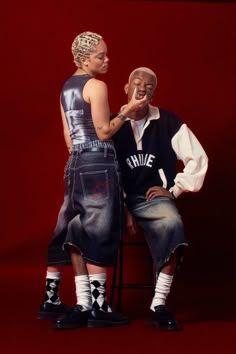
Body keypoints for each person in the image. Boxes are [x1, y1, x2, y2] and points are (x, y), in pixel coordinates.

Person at [37, 32, 149, 329]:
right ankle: (99, 307)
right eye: (101, 56)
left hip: (75, 162)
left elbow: (68, 137)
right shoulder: (95, 86)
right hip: (98, 161)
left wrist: (81, 159)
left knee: (72, 226)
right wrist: (126, 112)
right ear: (84, 59)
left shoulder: (66, 88)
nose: (107, 60)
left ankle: (64, 300)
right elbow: (103, 131)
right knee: (99, 228)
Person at [112, 67, 208, 331]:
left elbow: (198, 158)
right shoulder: (113, 124)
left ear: (154, 93)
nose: (142, 88)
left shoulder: (167, 121)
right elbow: (107, 173)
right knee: (86, 223)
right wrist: (124, 207)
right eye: (137, 82)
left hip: (153, 198)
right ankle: (93, 303)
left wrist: (174, 190)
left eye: (149, 86)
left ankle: (159, 304)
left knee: (171, 222)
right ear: (126, 88)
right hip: (118, 200)